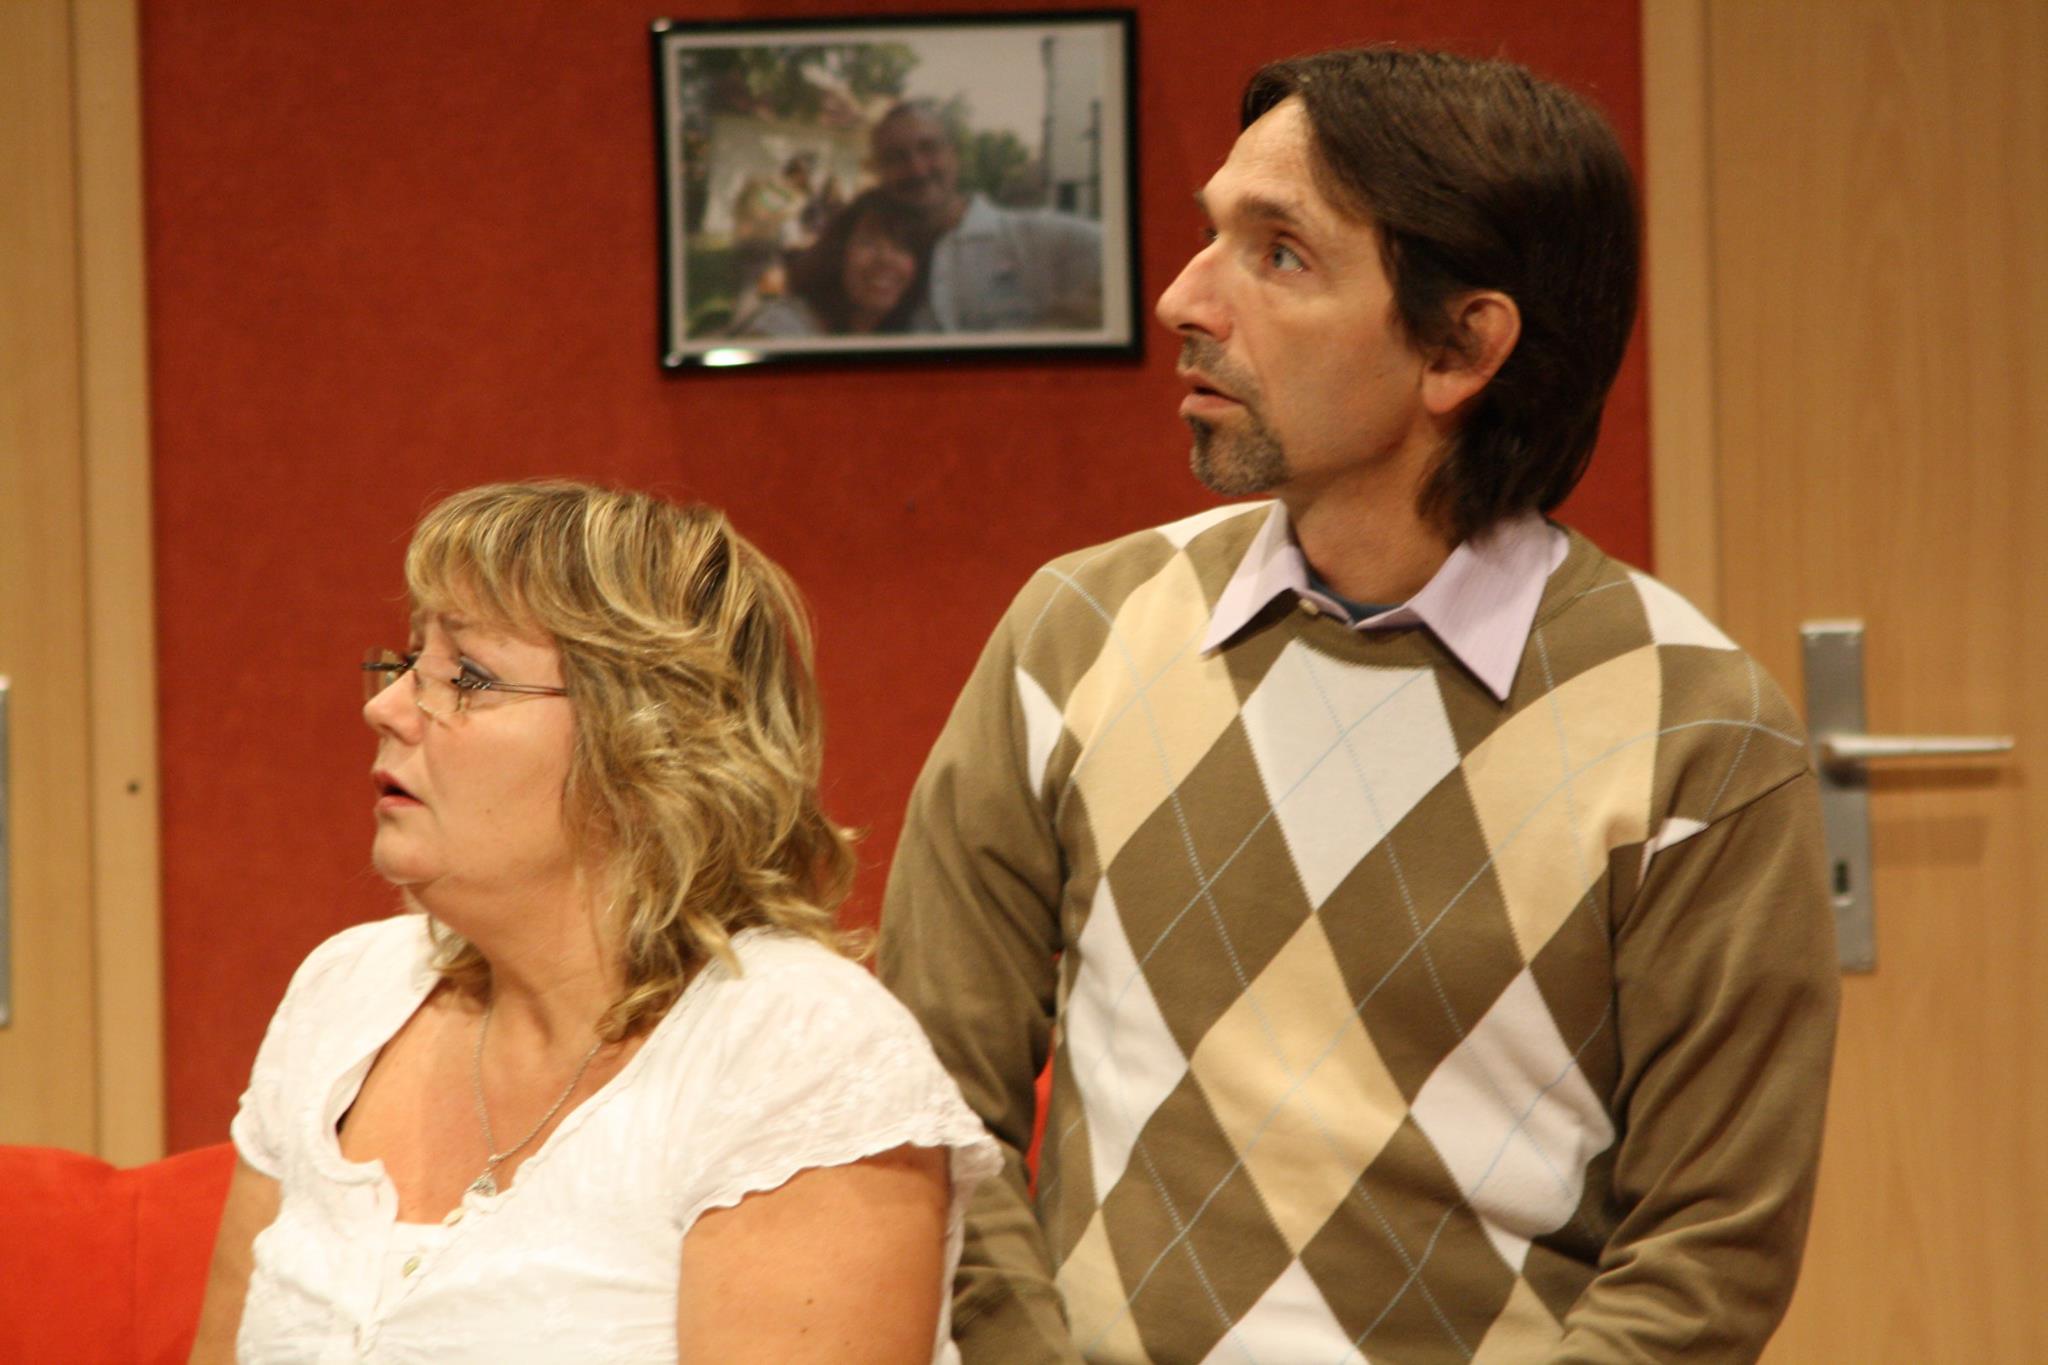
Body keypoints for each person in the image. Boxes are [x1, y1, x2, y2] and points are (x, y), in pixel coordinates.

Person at [879, 46, 1839, 1363]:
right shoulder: (1077, 633)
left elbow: (1705, 1260)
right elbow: (930, 1101)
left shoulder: (1700, 735)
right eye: (1212, 234)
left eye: (1278, 254)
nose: (1181, 298)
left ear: (1462, 346)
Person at [191, 481, 998, 1363]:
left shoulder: (799, 1051)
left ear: (650, 743)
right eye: (409, 660)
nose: (384, 707)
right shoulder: (344, 991)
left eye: (467, 677)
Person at [868, 101, 1104, 333]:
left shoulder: (1033, 238)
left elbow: (1120, 255)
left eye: (929, 148)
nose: (917, 169)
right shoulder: (873, 266)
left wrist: (1050, 332)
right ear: (879, 171)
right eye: (895, 157)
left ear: (954, 155)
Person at [734, 187, 929, 338]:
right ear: (838, 254)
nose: (885, 259)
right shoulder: (786, 328)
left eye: (903, 246)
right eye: (868, 243)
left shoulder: (917, 333)